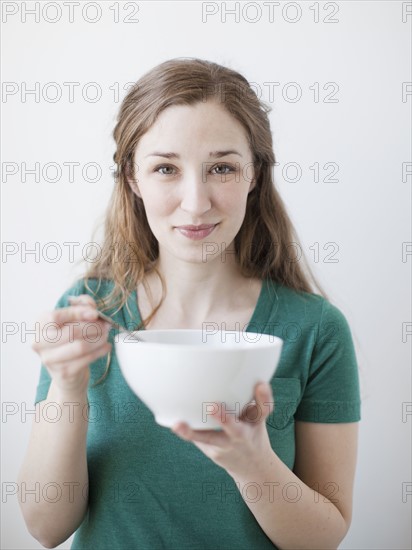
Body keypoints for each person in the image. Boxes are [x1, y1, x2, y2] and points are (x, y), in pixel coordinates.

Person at [18, 58, 361, 550]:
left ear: (254, 176)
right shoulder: (87, 313)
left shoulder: (316, 330)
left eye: (221, 167)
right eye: (165, 168)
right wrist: (68, 388)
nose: (196, 201)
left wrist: (253, 464)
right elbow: (45, 527)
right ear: (133, 179)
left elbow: (322, 537)